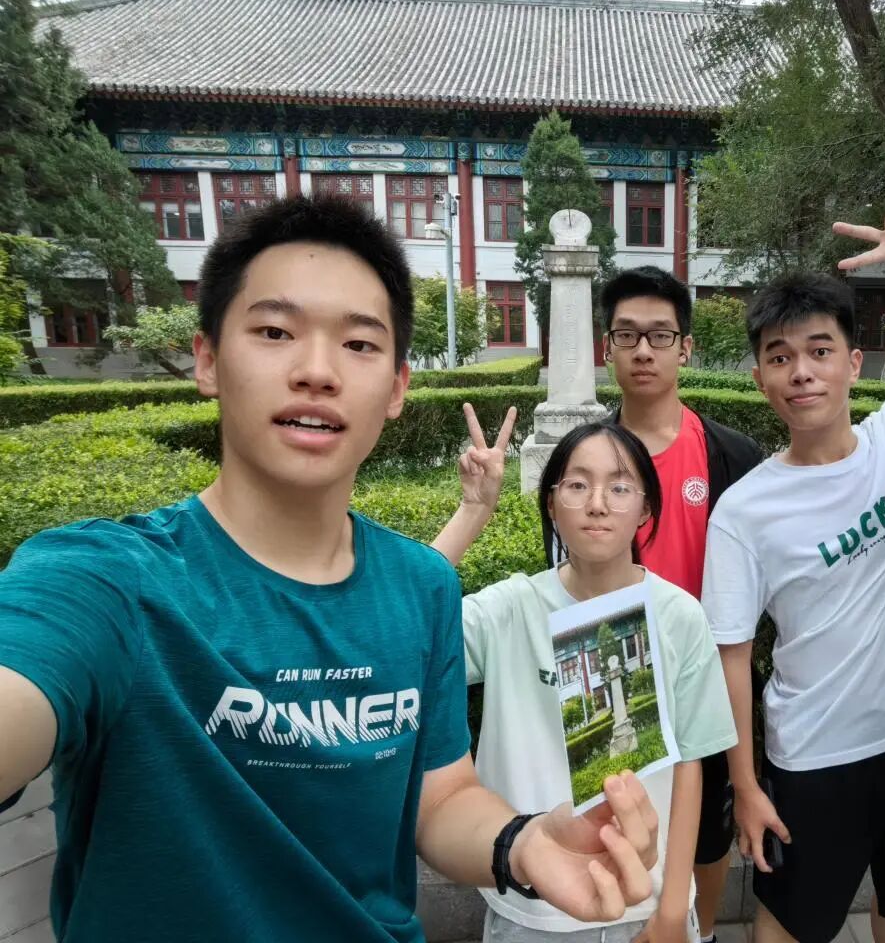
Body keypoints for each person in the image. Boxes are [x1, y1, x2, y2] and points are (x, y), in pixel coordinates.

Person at [0, 195, 660, 943]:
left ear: (398, 388)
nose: (317, 371)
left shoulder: (421, 586)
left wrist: (523, 842)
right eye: (275, 332)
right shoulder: (109, 582)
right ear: (208, 360)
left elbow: (441, 799)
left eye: (358, 343)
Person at [699, 208, 885, 943]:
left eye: (819, 350)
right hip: (813, 759)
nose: (801, 371)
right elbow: (730, 656)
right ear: (760, 378)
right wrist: (746, 785)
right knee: (786, 931)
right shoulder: (743, 512)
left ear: (853, 363)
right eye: (780, 356)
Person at [432, 420, 738, 943]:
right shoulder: (510, 609)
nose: (597, 504)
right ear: (551, 504)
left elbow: (691, 764)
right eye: (577, 485)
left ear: (645, 508)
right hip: (531, 909)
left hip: (647, 906)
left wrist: (671, 909)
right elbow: (402, 635)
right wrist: (473, 511)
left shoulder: (678, 615)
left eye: (619, 487)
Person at [599, 266, 763, 943]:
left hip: (708, 681)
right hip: (621, 684)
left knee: (708, 834)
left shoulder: (733, 457)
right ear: (608, 347)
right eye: (627, 335)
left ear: (685, 348)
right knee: (620, 824)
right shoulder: (588, 461)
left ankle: (704, 932)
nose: (643, 350)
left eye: (659, 336)